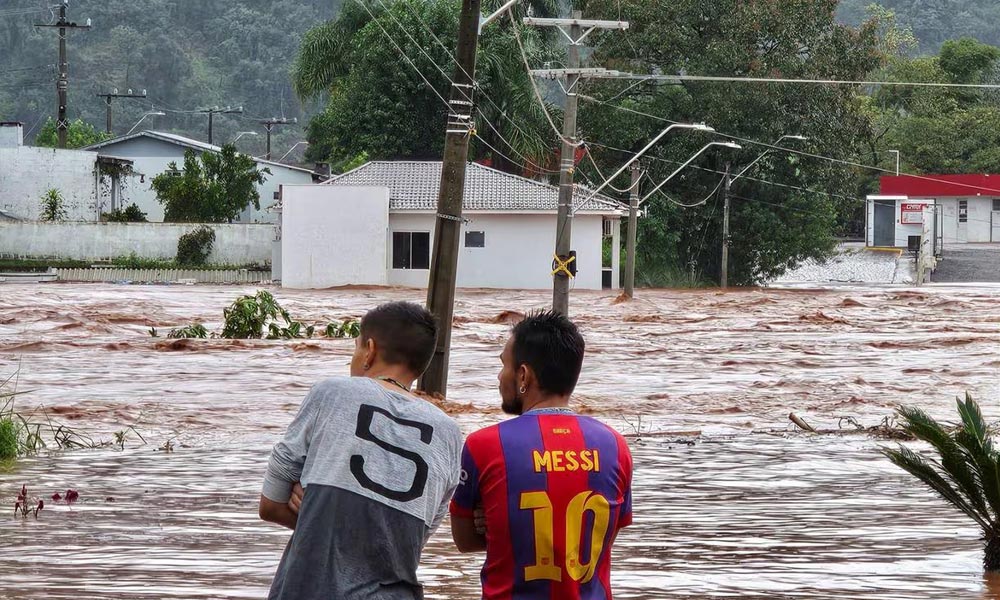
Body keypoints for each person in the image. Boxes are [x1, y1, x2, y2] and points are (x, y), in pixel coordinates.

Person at [259, 301, 463, 600]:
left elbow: (270, 505)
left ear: (369, 350)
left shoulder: (332, 393)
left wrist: (319, 510)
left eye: (355, 348)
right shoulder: (449, 434)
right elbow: (411, 541)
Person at [450, 310, 633, 599]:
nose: (500, 377)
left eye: (503, 366)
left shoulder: (483, 444)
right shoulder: (615, 445)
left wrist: (500, 521)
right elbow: (604, 536)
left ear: (523, 375)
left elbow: (464, 540)